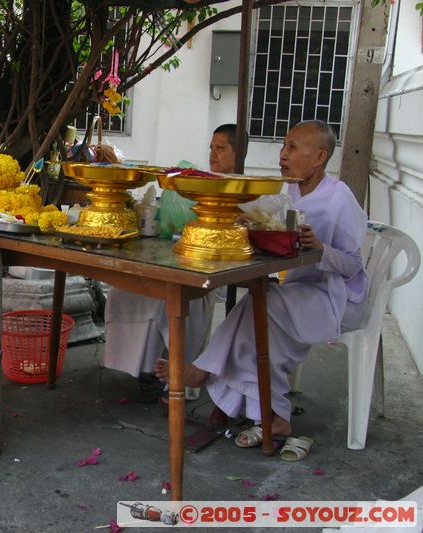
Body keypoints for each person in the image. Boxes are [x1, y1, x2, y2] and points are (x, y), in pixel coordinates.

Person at [154, 120, 368, 446]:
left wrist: (321, 248)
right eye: (283, 145)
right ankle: (273, 418)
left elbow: (353, 266)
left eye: (293, 147)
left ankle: (203, 372)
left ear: (319, 156)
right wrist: (253, 222)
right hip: (300, 290)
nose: (282, 154)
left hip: (337, 297)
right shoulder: (291, 190)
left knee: (260, 307)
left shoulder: (339, 198)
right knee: (254, 315)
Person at [103, 124, 246, 396]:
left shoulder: (246, 192)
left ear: (238, 154)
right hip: (179, 257)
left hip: (204, 273)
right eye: (211, 147)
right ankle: (143, 368)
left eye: (221, 148)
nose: (213, 154)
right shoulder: (200, 184)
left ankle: (174, 373)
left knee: (165, 302)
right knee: (121, 292)